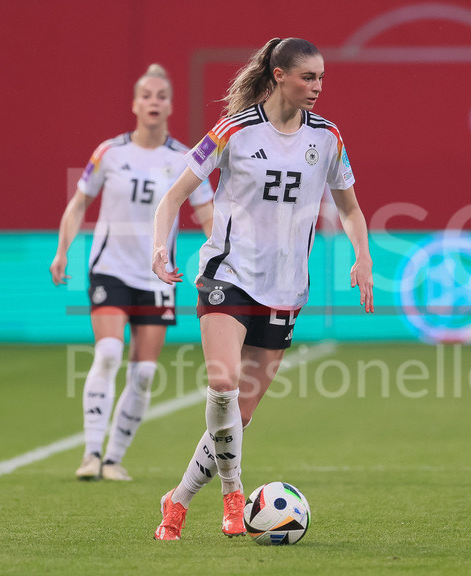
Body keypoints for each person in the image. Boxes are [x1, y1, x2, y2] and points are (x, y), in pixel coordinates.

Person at [150, 37, 374, 541]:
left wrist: (363, 256)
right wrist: (159, 249)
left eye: (321, 78)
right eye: (307, 77)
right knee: (224, 384)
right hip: (226, 277)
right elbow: (173, 197)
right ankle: (234, 492)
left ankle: (178, 499)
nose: (317, 87)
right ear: (278, 74)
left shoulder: (329, 138)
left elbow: (350, 207)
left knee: (239, 416)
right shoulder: (233, 131)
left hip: (285, 291)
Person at [51, 64, 214, 482]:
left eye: (161, 96)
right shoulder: (110, 153)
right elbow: (78, 203)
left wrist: (218, 257)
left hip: (157, 277)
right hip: (110, 270)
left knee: (143, 373)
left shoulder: (185, 159)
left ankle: (113, 459)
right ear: (135, 104)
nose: (153, 102)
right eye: (146, 95)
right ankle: (90, 453)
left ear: (170, 105)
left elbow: (205, 211)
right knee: (107, 353)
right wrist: (62, 250)